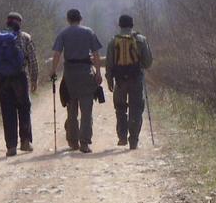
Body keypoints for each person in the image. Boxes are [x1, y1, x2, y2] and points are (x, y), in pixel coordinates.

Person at [50, 9, 103, 153]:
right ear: (81, 18)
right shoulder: (89, 32)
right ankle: (84, 142)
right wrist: (98, 73)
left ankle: (73, 141)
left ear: (68, 19)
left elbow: (57, 54)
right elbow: (96, 54)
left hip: (70, 76)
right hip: (86, 74)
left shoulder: (63, 34)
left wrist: (53, 71)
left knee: (72, 110)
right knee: (86, 111)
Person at [0, 12, 39, 157]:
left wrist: (0, 69)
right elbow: (33, 61)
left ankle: (11, 147)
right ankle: (25, 142)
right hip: (20, 77)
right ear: (19, 23)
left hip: (2, 79)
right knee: (24, 108)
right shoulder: (25, 37)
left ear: (7, 22)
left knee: (7, 111)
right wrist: (34, 79)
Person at [105, 14, 153, 150]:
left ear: (119, 25)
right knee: (136, 108)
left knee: (120, 108)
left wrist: (109, 79)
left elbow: (109, 63)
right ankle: (133, 140)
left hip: (120, 80)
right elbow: (148, 62)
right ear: (132, 25)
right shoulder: (141, 39)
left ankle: (122, 136)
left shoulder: (113, 41)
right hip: (136, 79)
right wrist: (140, 65)